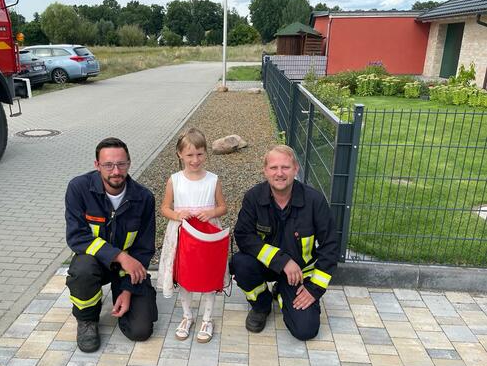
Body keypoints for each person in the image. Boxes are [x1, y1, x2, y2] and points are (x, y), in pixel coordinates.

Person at [231, 145, 338, 340]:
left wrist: (314, 290)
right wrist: (282, 261)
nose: (279, 173)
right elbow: (243, 235)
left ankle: (281, 290)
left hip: (298, 275)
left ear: (296, 169)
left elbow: (330, 246)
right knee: (241, 263)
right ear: (265, 171)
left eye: (285, 167)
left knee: (305, 331)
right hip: (266, 266)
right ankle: (261, 305)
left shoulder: (314, 200)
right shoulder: (253, 197)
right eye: (273, 168)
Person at [65, 137, 158, 352]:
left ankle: (126, 296)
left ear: (129, 163)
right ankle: (87, 319)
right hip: (95, 263)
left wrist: (127, 290)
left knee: (140, 331)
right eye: (108, 165)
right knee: (82, 269)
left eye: (121, 164)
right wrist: (120, 256)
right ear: (97, 165)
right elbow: (77, 236)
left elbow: (144, 249)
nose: (115, 171)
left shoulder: (143, 198)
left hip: (127, 270)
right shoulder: (79, 189)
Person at [158, 128, 227, 343]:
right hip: (182, 235)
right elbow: (164, 208)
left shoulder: (213, 180)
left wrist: (211, 212)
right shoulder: (175, 180)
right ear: (180, 154)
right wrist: (178, 215)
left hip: (207, 235)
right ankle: (187, 316)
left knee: (207, 274)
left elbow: (223, 207)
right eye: (190, 155)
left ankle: (207, 318)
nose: (195, 160)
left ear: (206, 153)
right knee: (185, 275)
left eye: (200, 154)